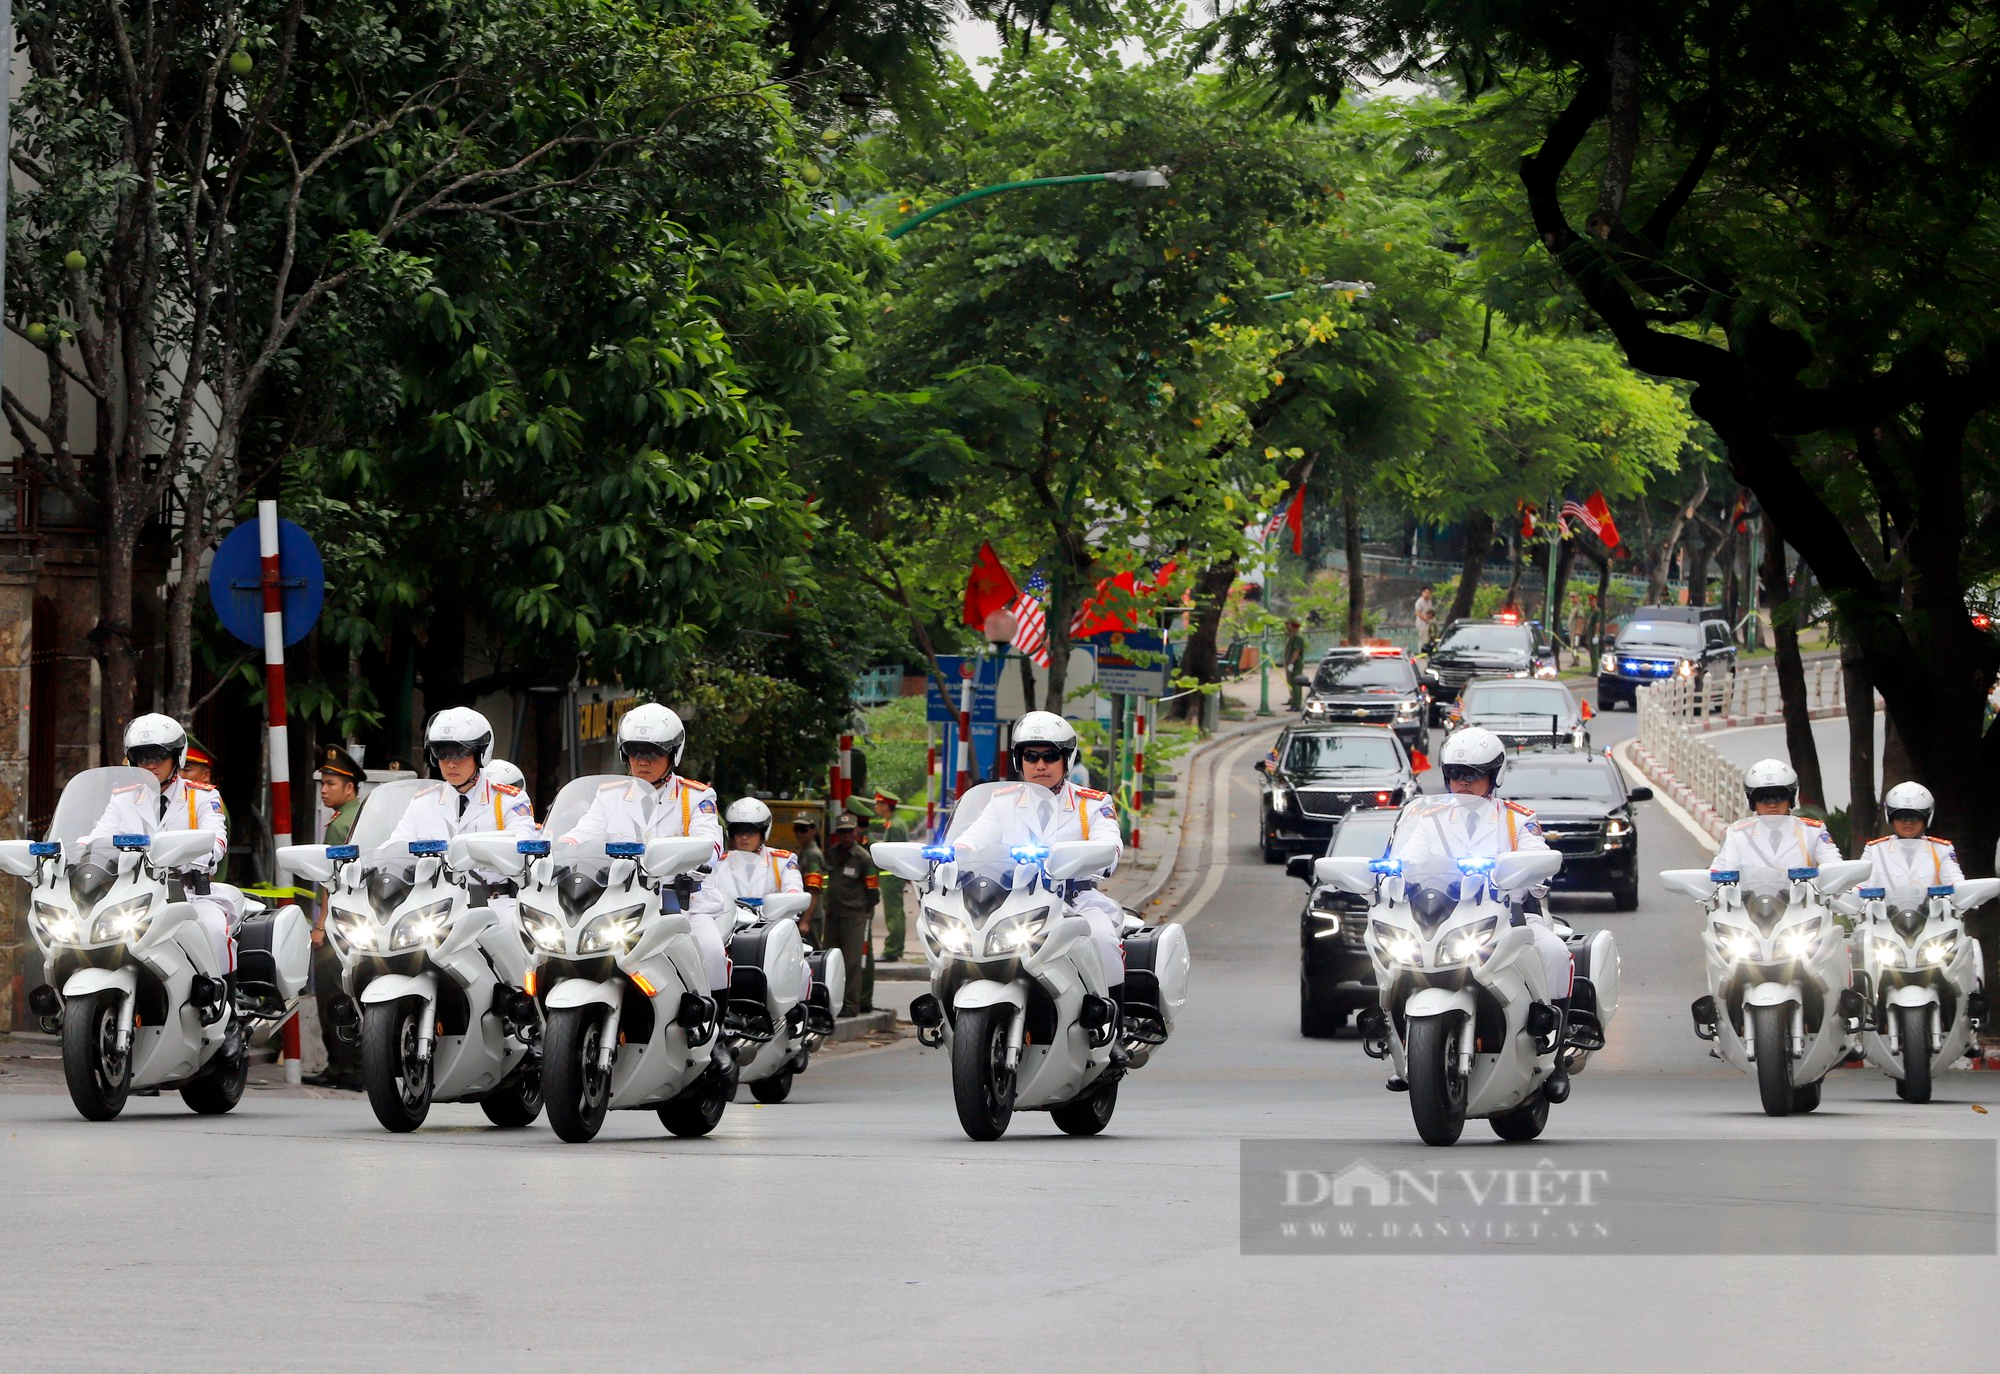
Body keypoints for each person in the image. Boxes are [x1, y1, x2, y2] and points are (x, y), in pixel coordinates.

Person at [1386, 727, 1576, 1101]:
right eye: (1457, 774)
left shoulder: (1516, 819)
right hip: (1444, 918)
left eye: (1474, 775)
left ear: (1495, 776)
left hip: (1512, 915)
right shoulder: (1430, 819)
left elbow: (1539, 861)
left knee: (1552, 952)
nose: (1464, 783)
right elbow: (1406, 859)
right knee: (1389, 957)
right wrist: (1389, 872)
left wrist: (1534, 871)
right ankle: (1395, 1042)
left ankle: (1554, 1057)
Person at [553, 703, 732, 1066]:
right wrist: (555, 852)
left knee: (710, 951)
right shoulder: (609, 795)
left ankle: (715, 1038)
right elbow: (581, 835)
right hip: (620, 901)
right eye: (635, 752)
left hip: (680, 903)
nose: (643, 761)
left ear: (673, 754)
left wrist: (690, 856)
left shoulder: (695, 797)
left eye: (654, 752)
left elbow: (711, 845)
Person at [951, 711, 1128, 1005]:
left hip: (1075, 902)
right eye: (1031, 756)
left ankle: (1113, 1030)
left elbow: (1110, 846)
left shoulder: (1092, 804)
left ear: (1066, 760)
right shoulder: (1002, 802)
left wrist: (1096, 856)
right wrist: (951, 856)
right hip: (1012, 904)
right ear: (1019, 761)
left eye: (1050, 756)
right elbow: (971, 839)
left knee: (1102, 940)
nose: (1040, 765)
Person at [80, 714, 232, 1021]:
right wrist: (74, 850)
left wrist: (194, 854)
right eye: (141, 757)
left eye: (159, 755)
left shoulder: (201, 796)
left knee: (214, 930)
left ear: (178, 756)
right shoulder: (123, 800)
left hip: (188, 894)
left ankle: (221, 1012)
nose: (150, 764)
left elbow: (216, 839)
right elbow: (98, 837)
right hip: (135, 896)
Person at [386, 708, 539, 1002]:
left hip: (495, 902)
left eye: (459, 754)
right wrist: (366, 863)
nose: (450, 764)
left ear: (480, 755)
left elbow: (523, 841)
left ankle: (528, 1018)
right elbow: (395, 848)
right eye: (443, 755)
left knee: (518, 958)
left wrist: (479, 847)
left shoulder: (506, 797)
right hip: (436, 904)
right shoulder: (423, 803)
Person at [705, 797, 813, 1004]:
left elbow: (793, 890)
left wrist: (787, 903)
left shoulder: (782, 860)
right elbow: (706, 891)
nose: (744, 837)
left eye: (751, 831)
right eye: (739, 831)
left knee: (801, 969)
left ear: (763, 833)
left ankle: (794, 1016)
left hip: (771, 927)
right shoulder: (718, 862)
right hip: (731, 928)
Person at [304, 744, 365, 1090]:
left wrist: (319, 926)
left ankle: (345, 1068)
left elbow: (332, 881)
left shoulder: (340, 825)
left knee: (333, 995)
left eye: (331, 784)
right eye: (323, 784)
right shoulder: (360, 816)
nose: (324, 790)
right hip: (357, 923)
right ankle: (349, 1066)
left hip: (337, 925)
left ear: (350, 787)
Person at [1708, 759, 1843, 874]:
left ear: (1790, 798)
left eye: (1780, 796)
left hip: (1803, 903)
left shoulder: (1813, 831)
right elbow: (1721, 870)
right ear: (1752, 800)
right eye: (1763, 797)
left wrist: (1837, 876)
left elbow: (1833, 866)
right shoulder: (1738, 834)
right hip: (1749, 904)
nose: (1772, 804)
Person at [821, 812, 878, 1017]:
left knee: (852, 962)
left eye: (849, 832)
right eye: (842, 832)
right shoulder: (832, 853)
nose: (846, 836)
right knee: (829, 958)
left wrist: (866, 911)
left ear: (856, 832)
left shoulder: (863, 858)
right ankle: (829, 1000)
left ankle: (851, 1004)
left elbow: (873, 891)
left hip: (854, 915)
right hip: (833, 914)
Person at [1863, 782, 1964, 891]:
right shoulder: (1874, 850)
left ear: (1926, 818)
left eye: (1915, 817)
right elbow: (1862, 885)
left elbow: (1955, 881)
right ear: (1890, 817)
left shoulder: (1942, 849)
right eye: (1900, 816)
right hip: (1883, 907)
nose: (1908, 822)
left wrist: (1964, 892)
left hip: (1932, 907)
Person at [178, 737, 231, 881]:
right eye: (176, 770)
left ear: (206, 775)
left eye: (186, 770)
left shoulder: (211, 803)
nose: (180, 776)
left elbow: (212, 849)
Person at [871, 790, 911, 964]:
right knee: (897, 913)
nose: (875, 807)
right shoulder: (896, 823)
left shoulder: (894, 826)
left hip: (892, 876)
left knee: (893, 914)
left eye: (878, 804)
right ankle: (896, 947)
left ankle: (892, 950)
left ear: (885, 806)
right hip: (895, 875)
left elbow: (891, 853)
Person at [792, 815, 827, 939]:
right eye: (797, 829)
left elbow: (813, 889)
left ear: (813, 831)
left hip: (811, 915)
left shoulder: (812, 855)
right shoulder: (805, 851)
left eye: (804, 829)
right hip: (804, 912)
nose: (799, 834)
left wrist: (805, 921)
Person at [1282, 618, 1308, 712]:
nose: (1286, 626)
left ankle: (1297, 704)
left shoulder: (1297, 637)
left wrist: (1292, 663)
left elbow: (1296, 651)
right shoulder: (1292, 636)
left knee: (1296, 683)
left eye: (1288, 624)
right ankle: (1293, 700)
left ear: (1293, 625)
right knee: (1290, 682)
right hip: (1291, 662)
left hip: (1296, 664)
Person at [1413, 584, 1437, 650]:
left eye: (1429, 593)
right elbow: (1417, 613)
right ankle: (1421, 652)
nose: (1427, 594)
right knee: (1422, 639)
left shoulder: (1429, 601)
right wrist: (1425, 619)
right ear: (1422, 592)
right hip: (1422, 624)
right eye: (1426, 592)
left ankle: (1427, 652)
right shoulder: (1419, 602)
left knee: (1429, 639)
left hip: (1429, 624)